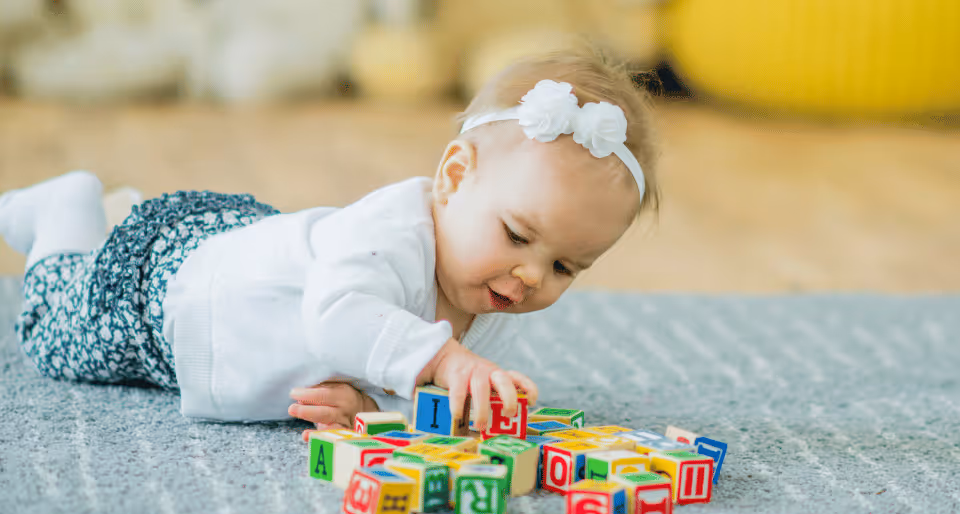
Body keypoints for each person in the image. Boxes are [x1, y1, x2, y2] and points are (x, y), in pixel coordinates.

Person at [0, 46, 660, 436]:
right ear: (454, 178)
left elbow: (415, 386)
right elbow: (338, 317)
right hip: (182, 301)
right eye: (517, 234)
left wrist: (375, 405)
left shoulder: (491, 305)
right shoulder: (393, 230)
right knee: (60, 334)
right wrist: (446, 363)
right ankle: (66, 211)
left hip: (249, 273)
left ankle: (107, 221)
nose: (531, 276)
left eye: (566, 267)